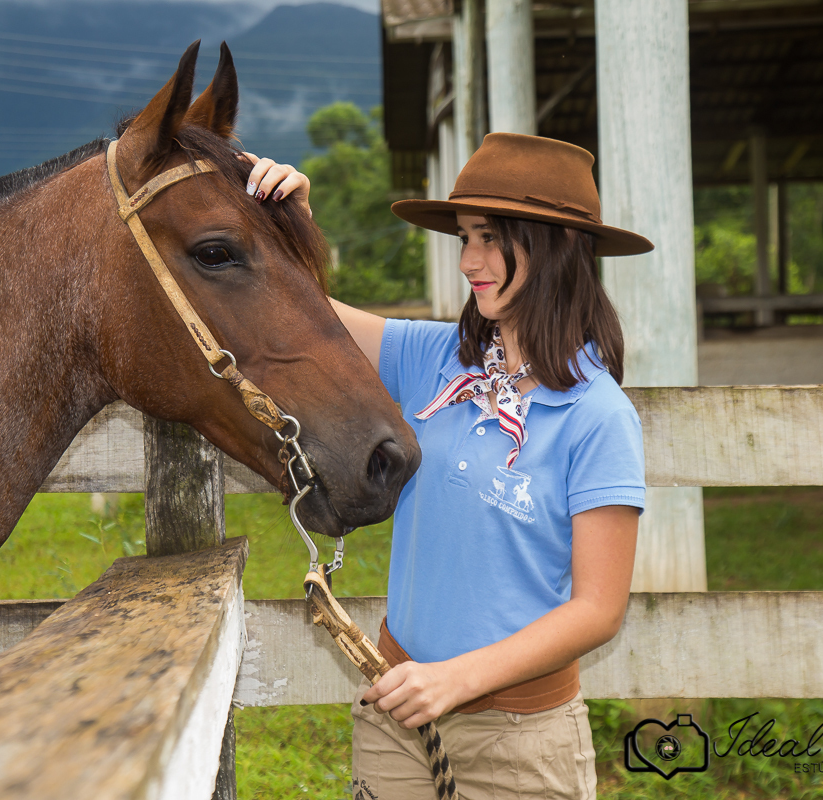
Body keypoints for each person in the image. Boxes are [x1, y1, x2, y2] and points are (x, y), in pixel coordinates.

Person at [243, 133, 651, 800]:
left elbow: (598, 609)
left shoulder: (597, 416)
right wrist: (287, 219)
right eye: (464, 237)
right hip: (399, 724)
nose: (468, 260)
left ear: (553, 248)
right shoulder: (436, 358)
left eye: (488, 238)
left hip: (523, 748)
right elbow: (302, 319)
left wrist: (457, 679)